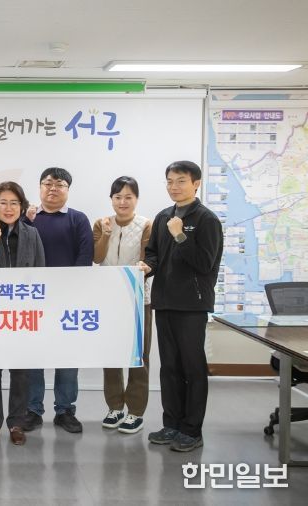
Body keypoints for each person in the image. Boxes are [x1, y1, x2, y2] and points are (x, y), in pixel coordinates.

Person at [139, 160, 223, 452]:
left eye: (181, 181)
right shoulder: (164, 216)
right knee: (170, 367)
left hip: (192, 305)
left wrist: (180, 235)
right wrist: (147, 266)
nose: (174, 187)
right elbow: (153, 254)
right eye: (170, 181)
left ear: (196, 184)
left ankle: (192, 430)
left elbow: (205, 263)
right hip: (164, 301)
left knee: (192, 368)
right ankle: (172, 424)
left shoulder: (207, 219)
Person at [0, 181, 45, 446]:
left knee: (21, 371)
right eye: (3, 202)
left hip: (23, 312)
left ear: (22, 206)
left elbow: (41, 271)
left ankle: (16, 422)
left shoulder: (32, 234)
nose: (9, 208)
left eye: (14, 203)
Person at [23, 167, 93, 434]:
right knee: (34, 356)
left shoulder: (77, 219)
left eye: (59, 184)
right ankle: (32, 410)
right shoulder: (28, 217)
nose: (53, 188)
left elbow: (85, 256)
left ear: (68, 189)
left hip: (67, 300)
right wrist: (26, 221)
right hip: (33, 300)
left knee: (67, 357)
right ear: (40, 187)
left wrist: (69, 291)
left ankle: (65, 411)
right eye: (47, 183)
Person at [93, 176, 152, 434]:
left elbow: (146, 260)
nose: (123, 202)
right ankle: (115, 407)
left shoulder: (146, 225)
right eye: (118, 197)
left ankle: (136, 411)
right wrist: (106, 234)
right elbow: (96, 257)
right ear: (111, 199)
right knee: (111, 353)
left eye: (128, 197)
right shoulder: (101, 223)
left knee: (138, 355)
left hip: (138, 298)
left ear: (136, 199)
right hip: (108, 298)